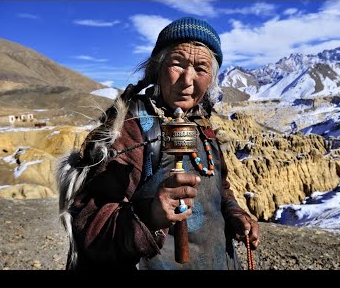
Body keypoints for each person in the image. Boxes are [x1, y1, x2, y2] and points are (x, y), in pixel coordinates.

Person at [57, 17, 260, 270]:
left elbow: (219, 187)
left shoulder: (202, 125)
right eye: (177, 64)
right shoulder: (130, 128)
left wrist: (235, 214)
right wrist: (150, 216)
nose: (187, 80)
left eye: (201, 69)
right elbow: (88, 222)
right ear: (157, 67)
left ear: (212, 79)